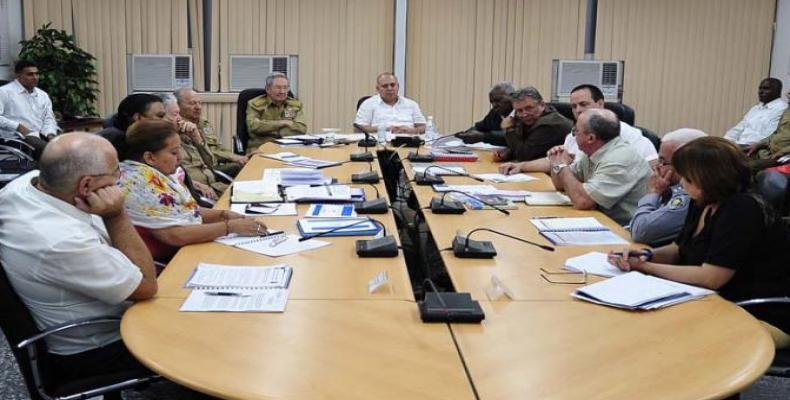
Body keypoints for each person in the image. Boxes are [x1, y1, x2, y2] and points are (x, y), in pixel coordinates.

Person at [0, 132, 157, 381]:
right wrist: (116, 215)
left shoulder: (27, 185)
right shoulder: (59, 241)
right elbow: (148, 285)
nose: (120, 179)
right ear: (85, 186)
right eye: (116, 172)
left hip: (93, 313)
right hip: (94, 346)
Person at [608, 137, 790, 348]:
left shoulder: (742, 209)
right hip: (714, 299)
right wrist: (646, 255)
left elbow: (711, 277)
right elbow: (679, 249)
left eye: (687, 177)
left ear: (708, 178)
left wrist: (646, 267)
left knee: (657, 333)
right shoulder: (703, 201)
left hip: (757, 311)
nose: (682, 182)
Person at [118, 119, 266, 262]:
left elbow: (187, 210)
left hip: (186, 247)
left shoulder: (153, 173)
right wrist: (229, 227)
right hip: (173, 259)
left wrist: (224, 215)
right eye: (174, 153)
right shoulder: (141, 184)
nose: (180, 157)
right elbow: (175, 235)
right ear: (149, 157)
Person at [499, 84, 657, 174]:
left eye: (584, 104)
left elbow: (653, 164)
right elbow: (554, 161)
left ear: (600, 104)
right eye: (574, 106)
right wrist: (521, 166)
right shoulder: (575, 133)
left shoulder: (626, 133)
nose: (578, 110)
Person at [548, 109, 651, 225]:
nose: (574, 135)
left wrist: (562, 166)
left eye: (575, 131)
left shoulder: (619, 160)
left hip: (624, 230)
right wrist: (556, 162)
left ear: (590, 138)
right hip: (600, 219)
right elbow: (561, 185)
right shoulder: (592, 152)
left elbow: (582, 202)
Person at [628, 128, 707, 246]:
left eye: (663, 163)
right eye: (658, 161)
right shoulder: (669, 188)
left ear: (686, 165)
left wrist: (653, 193)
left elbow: (641, 232)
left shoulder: (688, 196)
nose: (657, 168)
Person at [160, 93, 227, 200]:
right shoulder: (161, 144)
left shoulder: (186, 133)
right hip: (197, 195)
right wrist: (193, 184)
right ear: (160, 118)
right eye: (175, 114)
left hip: (215, 187)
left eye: (179, 114)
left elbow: (212, 164)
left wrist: (198, 140)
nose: (179, 118)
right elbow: (168, 177)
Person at [175, 88, 248, 176]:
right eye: (192, 103)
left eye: (199, 103)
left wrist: (237, 156)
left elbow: (217, 147)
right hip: (205, 168)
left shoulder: (203, 122)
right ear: (177, 106)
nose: (198, 107)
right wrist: (232, 157)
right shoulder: (182, 128)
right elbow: (201, 154)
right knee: (242, 167)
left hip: (215, 162)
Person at [491, 86, 572, 162]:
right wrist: (508, 153)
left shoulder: (550, 124)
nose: (524, 114)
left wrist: (509, 129)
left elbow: (524, 156)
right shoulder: (528, 119)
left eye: (529, 108)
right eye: (519, 110)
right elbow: (526, 144)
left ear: (542, 105)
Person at [0, 60, 58, 159]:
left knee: (71, 147)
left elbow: (49, 118)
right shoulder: (4, 92)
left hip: (41, 135)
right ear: (18, 75)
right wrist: (18, 126)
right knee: (53, 151)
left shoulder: (42, 95)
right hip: (18, 138)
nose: (35, 77)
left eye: (37, 74)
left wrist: (50, 134)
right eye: (30, 74)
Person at [246, 72, 307, 153]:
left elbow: (302, 129)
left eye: (285, 88)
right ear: (268, 89)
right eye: (278, 87)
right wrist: (283, 123)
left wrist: (267, 126)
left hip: (289, 146)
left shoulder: (295, 105)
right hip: (261, 147)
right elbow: (254, 127)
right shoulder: (255, 104)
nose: (282, 91)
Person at [354, 72, 426, 135]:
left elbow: (423, 127)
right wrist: (384, 129)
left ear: (398, 86)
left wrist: (412, 131)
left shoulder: (411, 104)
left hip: (408, 142)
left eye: (392, 85)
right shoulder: (368, 104)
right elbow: (358, 129)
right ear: (378, 89)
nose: (389, 88)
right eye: (385, 86)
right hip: (379, 143)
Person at [724, 78, 787, 146]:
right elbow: (738, 128)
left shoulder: (782, 108)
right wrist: (726, 141)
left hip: (755, 148)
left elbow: (767, 137)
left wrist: (738, 146)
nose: (761, 91)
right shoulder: (756, 108)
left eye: (766, 88)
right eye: (760, 88)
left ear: (777, 90)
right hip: (739, 145)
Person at [746, 90, 790, 172]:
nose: (787, 95)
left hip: (783, 156)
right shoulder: (787, 111)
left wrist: (782, 152)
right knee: (737, 157)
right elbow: (776, 133)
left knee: (749, 167)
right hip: (768, 151)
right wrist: (759, 144)